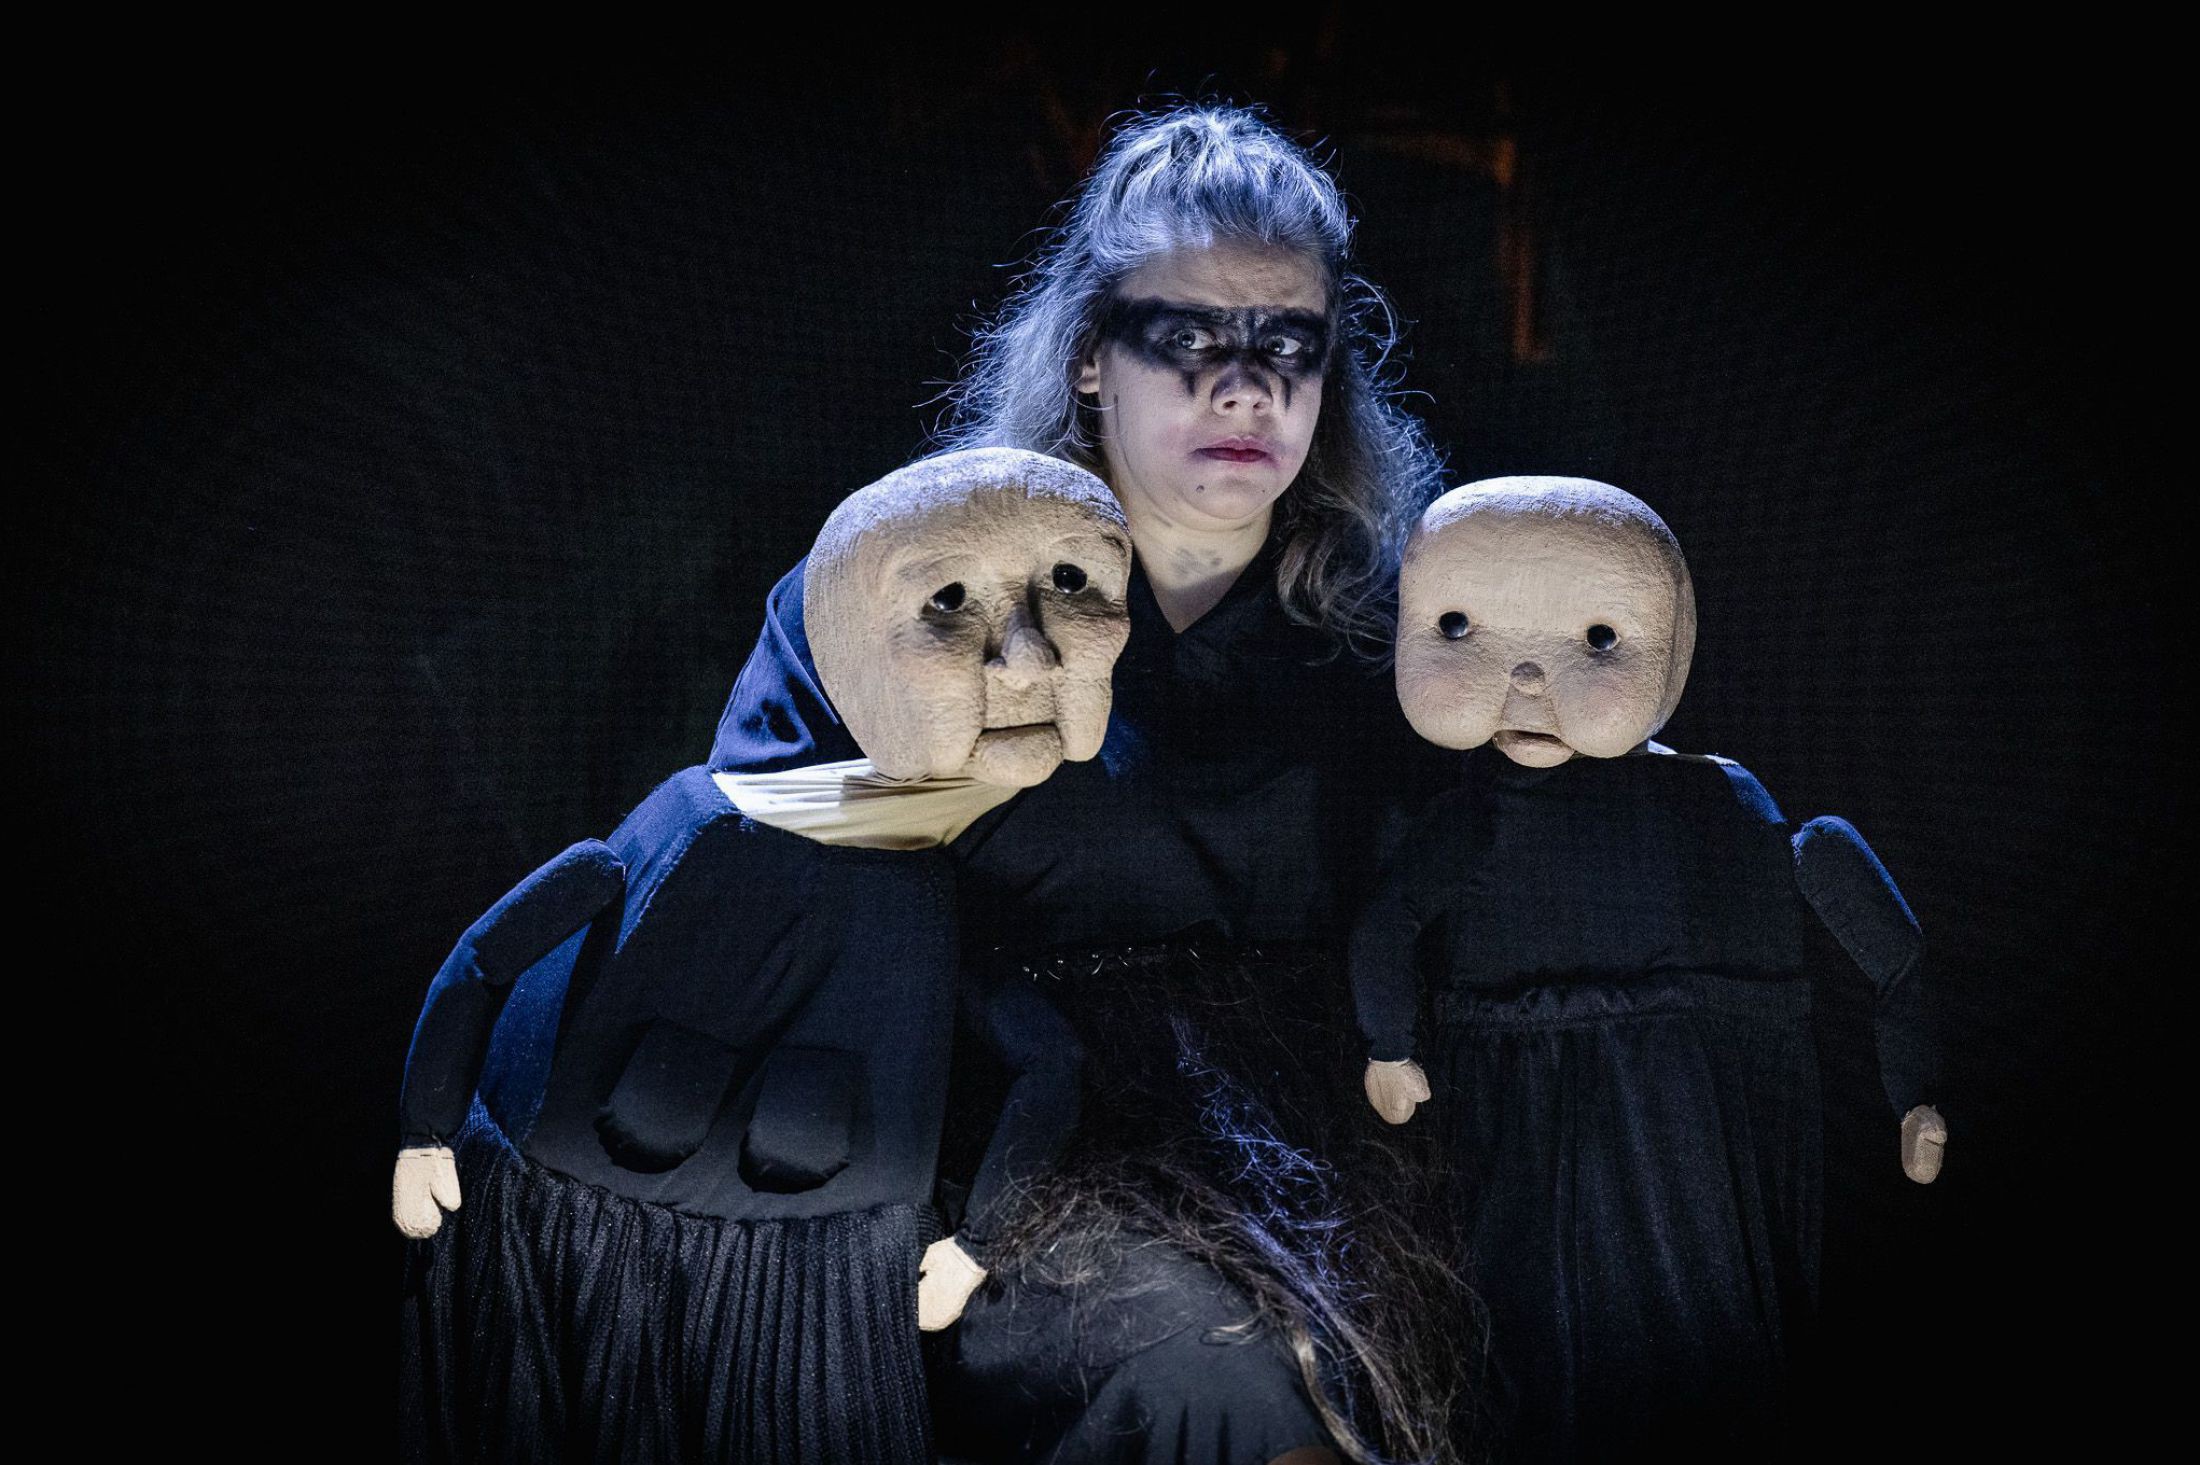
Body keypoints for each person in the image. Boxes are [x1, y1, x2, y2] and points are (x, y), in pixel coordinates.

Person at [712, 105, 1466, 1464]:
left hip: (1322, 1143)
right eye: (1192, 338)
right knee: (1226, 1386)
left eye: (1290, 344)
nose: (1248, 389)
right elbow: (745, 861)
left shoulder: (1397, 633)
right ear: (1088, 359)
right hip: (1003, 1148)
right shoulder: (909, 598)